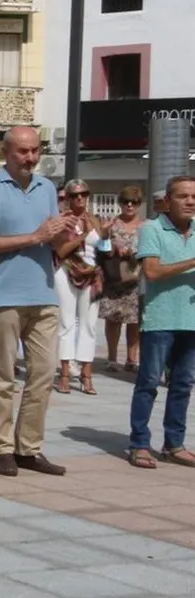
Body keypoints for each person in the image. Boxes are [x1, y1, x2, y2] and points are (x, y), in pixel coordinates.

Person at [0, 126, 69, 478]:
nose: (30, 157)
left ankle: (29, 447)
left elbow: (52, 239)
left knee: (43, 373)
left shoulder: (46, 188)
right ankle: (1, 448)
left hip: (44, 292)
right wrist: (35, 236)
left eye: (34, 150)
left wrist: (65, 236)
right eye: (22, 151)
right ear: (5, 152)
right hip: (5, 293)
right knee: (2, 375)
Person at [131, 176, 195, 469]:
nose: (190, 202)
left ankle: (174, 444)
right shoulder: (152, 228)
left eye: (194, 197)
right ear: (168, 200)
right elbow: (152, 272)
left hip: (191, 321)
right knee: (148, 383)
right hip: (161, 320)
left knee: (182, 385)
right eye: (183, 196)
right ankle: (139, 443)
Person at [53, 180, 102, 396]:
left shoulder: (95, 219)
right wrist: (83, 235)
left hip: (92, 274)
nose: (78, 198)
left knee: (89, 325)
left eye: (83, 194)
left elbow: (104, 249)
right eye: (73, 195)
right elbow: (61, 251)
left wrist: (105, 237)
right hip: (66, 270)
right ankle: (65, 373)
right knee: (66, 322)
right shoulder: (62, 221)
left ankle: (86, 374)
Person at [101, 185, 145, 373]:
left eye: (134, 202)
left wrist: (133, 253)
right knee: (113, 319)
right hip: (115, 277)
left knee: (134, 321)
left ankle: (131, 359)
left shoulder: (145, 226)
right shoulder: (111, 224)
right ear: (119, 203)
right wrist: (109, 242)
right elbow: (102, 249)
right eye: (125, 201)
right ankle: (111, 358)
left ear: (139, 204)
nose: (129, 205)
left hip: (136, 277)